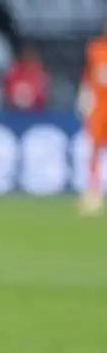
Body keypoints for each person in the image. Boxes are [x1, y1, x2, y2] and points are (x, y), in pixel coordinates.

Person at [78, 24, 107, 215]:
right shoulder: (95, 48)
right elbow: (88, 75)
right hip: (99, 108)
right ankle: (93, 193)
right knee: (94, 150)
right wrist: (83, 97)